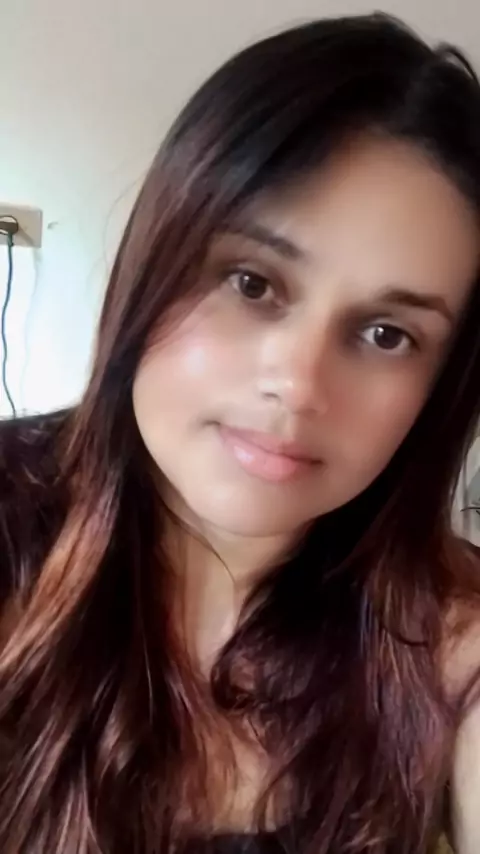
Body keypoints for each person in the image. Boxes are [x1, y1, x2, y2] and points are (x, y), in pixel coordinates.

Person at [2, 11, 480, 854]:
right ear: (158, 257)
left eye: (386, 334)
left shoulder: (452, 637)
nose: (297, 385)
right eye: (252, 282)